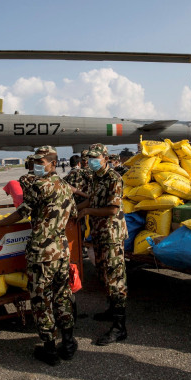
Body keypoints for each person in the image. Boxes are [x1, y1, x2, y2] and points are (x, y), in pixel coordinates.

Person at [0, 146, 78, 365]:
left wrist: (0, 222)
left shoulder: (39, 185)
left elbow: (22, 212)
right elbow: (73, 213)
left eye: (41, 162)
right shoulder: (66, 186)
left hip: (41, 253)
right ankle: (67, 343)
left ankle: (49, 349)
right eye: (35, 162)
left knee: (41, 300)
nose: (37, 166)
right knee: (62, 295)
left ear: (52, 164)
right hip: (61, 251)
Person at [77, 143, 129, 345]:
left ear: (106, 158)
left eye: (95, 158)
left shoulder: (113, 178)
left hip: (112, 235)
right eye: (89, 158)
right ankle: (111, 310)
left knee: (115, 278)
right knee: (104, 274)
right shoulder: (95, 178)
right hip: (99, 233)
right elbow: (90, 201)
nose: (91, 161)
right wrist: (72, 210)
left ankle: (119, 328)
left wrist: (87, 212)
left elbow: (112, 209)